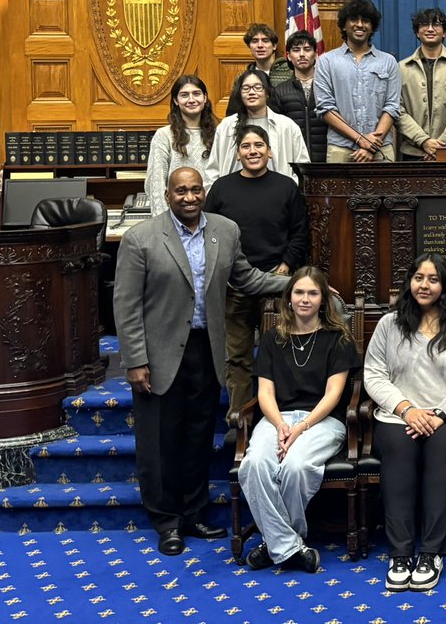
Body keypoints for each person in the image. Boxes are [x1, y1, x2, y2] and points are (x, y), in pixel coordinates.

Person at [113, 166, 288, 556]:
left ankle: (193, 514)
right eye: (181, 191)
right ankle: (167, 522)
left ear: (204, 192)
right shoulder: (141, 238)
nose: (189, 197)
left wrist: (297, 283)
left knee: (196, 438)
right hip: (157, 355)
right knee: (160, 442)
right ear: (167, 193)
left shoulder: (225, 231)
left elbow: (247, 279)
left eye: (195, 190)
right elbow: (125, 306)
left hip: (207, 350)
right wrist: (135, 360)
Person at [363, 253, 446, 591]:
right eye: (419, 277)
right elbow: (374, 376)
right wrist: (407, 409)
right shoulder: (389, 324)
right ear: (409, 282)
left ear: (445, 284)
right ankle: (401, 553)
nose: (424, 284)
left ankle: (432, 552)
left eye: (433, 279)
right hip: (398, 417)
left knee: (440, 456)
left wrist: (439, 413)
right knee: (400, 457)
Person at [238, 267, 359, 573]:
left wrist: (301, 427)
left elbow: (334, 394)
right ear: (289, 298)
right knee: (253, 465)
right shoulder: (271, 339)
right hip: (277, 418)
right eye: (299, 292)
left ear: (323, 300)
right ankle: (291, 548)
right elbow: (265, 392)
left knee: (297, 466)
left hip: (323, 420)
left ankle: (274, 546)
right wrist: (280, 425)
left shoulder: (338, 338)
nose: (305, 299)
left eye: (313, 293)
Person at [204, 124, 309, 414]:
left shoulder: (286, 186)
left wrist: (285, 268)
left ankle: (280, 415)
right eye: (246, 146)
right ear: (237, 154)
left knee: (279, 352)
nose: (253, 151)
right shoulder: (222, 188)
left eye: (259, 145)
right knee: (237, 356)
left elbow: (300, 233)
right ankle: (239, 418)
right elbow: (208, 234)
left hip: (276, 284)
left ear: (270, 151)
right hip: (234, 285)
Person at [313, 0, 402, 162]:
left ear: (372, 27)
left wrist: (372, 143)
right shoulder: (326, 61)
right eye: (353, 19)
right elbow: (325, 108)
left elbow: (392, 107)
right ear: (344, 26)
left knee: (385, 190)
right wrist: (361, 139)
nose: (360, 24)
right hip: (340, 148)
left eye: (366, 21)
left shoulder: (388, 62)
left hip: (380, 148)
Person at [212, 69, 310, 182]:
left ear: (267, 93)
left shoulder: (287, 126)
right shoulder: (226, 126)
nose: (251, 92)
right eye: (246, 88)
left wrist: (291, 191)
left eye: (258, 87)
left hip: (278, 194)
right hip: (233, 194)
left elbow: (303, 168)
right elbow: (214, 169)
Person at [146, 75, 218, 216]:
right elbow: (156, 183)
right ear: (176, 101)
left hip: (211, 214)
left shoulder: (219, 134)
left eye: (196, 94)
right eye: (184, 95)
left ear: (204, 98)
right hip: (175, 216)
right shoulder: (164, 135)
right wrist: (163, 223)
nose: (191, 100)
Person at [397, 8, 446, 161]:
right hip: (413, 152)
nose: (430, 29)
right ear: (417, 32)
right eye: (424, 24)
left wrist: (442, 143)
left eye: (437, 24)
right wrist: (423, 141)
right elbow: (397, 110)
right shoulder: (402, 68)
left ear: (444, 32)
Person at [270, 30, 327, 163]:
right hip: (293, 159)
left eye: (307, 49)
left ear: (316, 54)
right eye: (296, 50)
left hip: (326, 160)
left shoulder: (328, 88)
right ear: (289, 56)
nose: (302, 55)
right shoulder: (279, 91)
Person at [227, 23, 294, 111]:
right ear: (249, 46)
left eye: (265, 40)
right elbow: (234, 110)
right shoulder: (242, 78)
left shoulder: (290, 73)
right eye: (255, 41)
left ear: (274, 46)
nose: (260, 45)